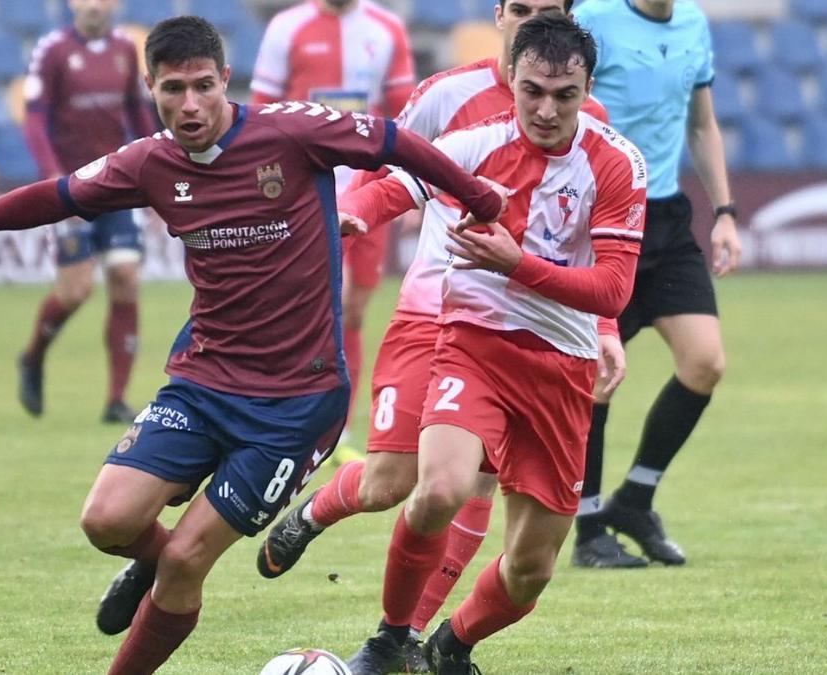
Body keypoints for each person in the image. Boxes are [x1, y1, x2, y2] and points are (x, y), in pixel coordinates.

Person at [0, 17, 505, 674]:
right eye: (173, 89)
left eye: (202, 87)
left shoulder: (291, 131)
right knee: (105, 520)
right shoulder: (148, 161)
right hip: (203, 380)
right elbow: (58, 196)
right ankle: (149, 561)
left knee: (188, 559)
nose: (189, 105)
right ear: (150, 87)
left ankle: (150, 602)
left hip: (296, 404)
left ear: (224, 80)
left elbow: (394, 140)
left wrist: (477, 197)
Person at [256, 1, 637, 669]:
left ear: (585, 87)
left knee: (529, 564)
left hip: (559, 358)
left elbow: (608, 277)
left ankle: (442, 643)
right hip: (453, 321)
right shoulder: (455, 113)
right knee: (421, 484)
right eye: (522, 9)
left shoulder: (610, 153)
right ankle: (387, 632)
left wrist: (601, 325)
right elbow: (396, 180)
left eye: (564, 96)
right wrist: (349, 217)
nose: (547, 108)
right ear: (504, 28)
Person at [569, 0, 742, 568]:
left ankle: (634, 501)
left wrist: (725, 211)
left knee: (705, 363)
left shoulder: (693, 23)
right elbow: (562, 109)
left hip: (667, 219)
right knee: (595, 374)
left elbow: (701, 122)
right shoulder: (594, 17)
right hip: (606, 216)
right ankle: (588, 526)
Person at [251, 0, 416, 461]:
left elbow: (408, 117)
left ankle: (334, 429)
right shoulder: (288, 27)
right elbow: (259, 113)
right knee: (308, 307)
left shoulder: (386, 29)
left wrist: (415, 189)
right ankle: (290, 416)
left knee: (355, 309)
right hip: (303, 190)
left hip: (369, 189)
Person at [17, 0, 159, 424]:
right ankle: (32, 356)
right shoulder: (53, 50)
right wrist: (53, 178)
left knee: (125, 276)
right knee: (76, 290)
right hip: (71, 188)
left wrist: (160, 160)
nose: (95, 5)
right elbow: (35, 120)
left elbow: (137, 111)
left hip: (116, 183)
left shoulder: (125, 49)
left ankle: (116, 399)